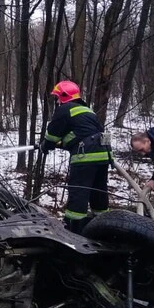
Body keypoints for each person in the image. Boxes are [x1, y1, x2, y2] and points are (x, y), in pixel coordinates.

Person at [39, 80, 111, 234]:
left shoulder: (65, 109)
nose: (58, 101)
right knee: (99, 191)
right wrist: (66, 143)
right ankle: (105, 227)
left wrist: (46, 144)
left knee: (79, 191)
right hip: (104, 154)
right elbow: (83, 133)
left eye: (58, 97)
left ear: (64, 96)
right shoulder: (87, 111)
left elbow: (52, 133)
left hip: (86, 157)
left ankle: (74, 229)